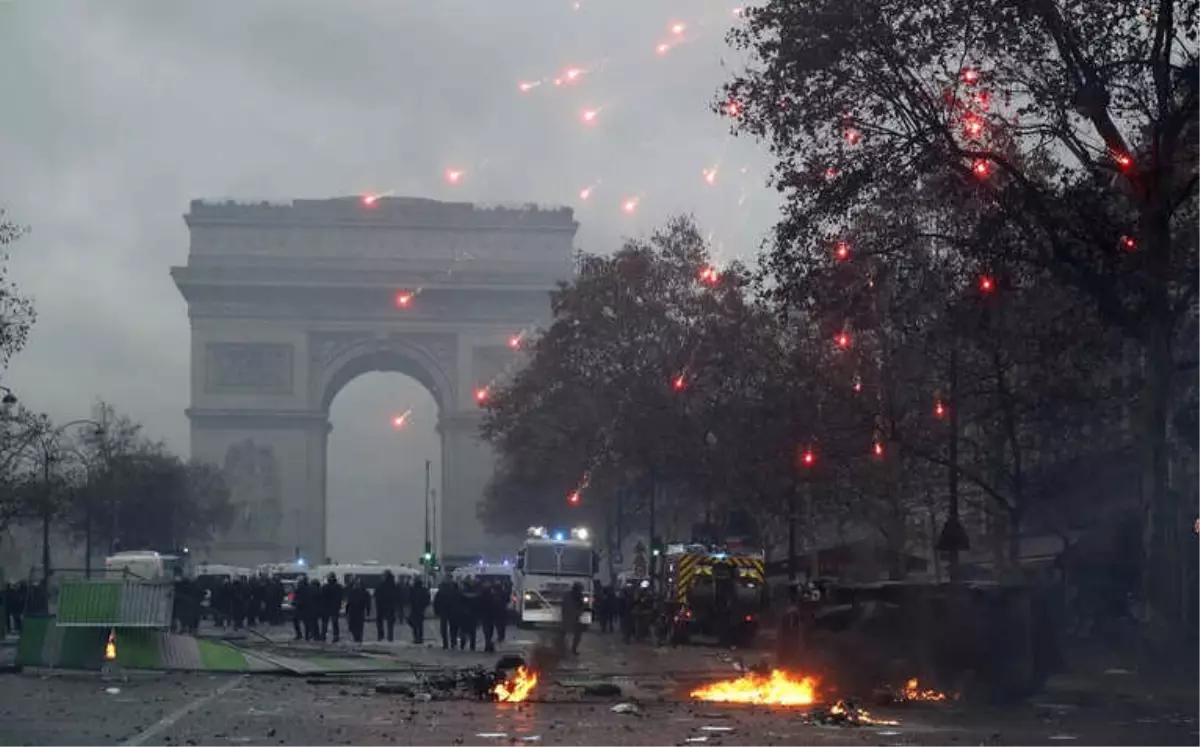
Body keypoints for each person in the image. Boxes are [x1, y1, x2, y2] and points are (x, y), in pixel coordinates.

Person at [558, 581, 585, 656]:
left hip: (571, 617)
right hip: (571, 617)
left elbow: (581, 606)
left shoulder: (570, 595)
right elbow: (581, 606)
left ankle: (566, 650)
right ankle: (568, 650)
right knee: (568, 634)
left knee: (569, 634)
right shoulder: (576, 596)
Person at [434, 576, 460, 650]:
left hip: (445, 611)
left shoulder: (441, 591)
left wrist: (437, 611)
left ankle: (446, 643)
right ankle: (453, 642)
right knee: (453, 628)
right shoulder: (455, 590)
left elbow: (437, 602)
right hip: (452, 611)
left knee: (445, 628)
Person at [457, 578, 480, 652]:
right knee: (472, 632)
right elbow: (478, 605)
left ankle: (462, 645)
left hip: (463, 615)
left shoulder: (461, 593)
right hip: (473, 615)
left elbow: (458, 604)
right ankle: (472, 646)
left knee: (463, 631)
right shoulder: (476, 593)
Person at [374, 570, 398, 642]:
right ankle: (390, 637)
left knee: (380, 622)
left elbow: (376, 595)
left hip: (381, 606)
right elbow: (396, 596)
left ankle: (381, 637)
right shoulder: (393, 585)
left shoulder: (381, 585)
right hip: (390, 607)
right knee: (390, 623)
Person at [345, 577, 370, 643]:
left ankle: (357, 638)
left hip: (355, 611)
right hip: (357, 611)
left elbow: (349, 602)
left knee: (356, 626)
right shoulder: (364, 592)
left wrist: (346, 611)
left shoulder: (353, 592)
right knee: (357, 626)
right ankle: (358, 638)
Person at [321, 573, 343, 643]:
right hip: (335, 607)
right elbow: (341, 597)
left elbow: (322, 597)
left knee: (325, 623)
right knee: (335, 623)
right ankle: (336, 636)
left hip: (326, 607)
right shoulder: (339, 587)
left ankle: (323, 636)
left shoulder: (325, 587)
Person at [408, 579, 430, 643]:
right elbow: (427, 599)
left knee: (414, 623)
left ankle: (416, 637)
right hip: (420, 609)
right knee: (419, 624)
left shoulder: (413, 590)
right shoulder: (423, 590)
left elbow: (409, 598)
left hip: (414, 609)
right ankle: (419, 637)